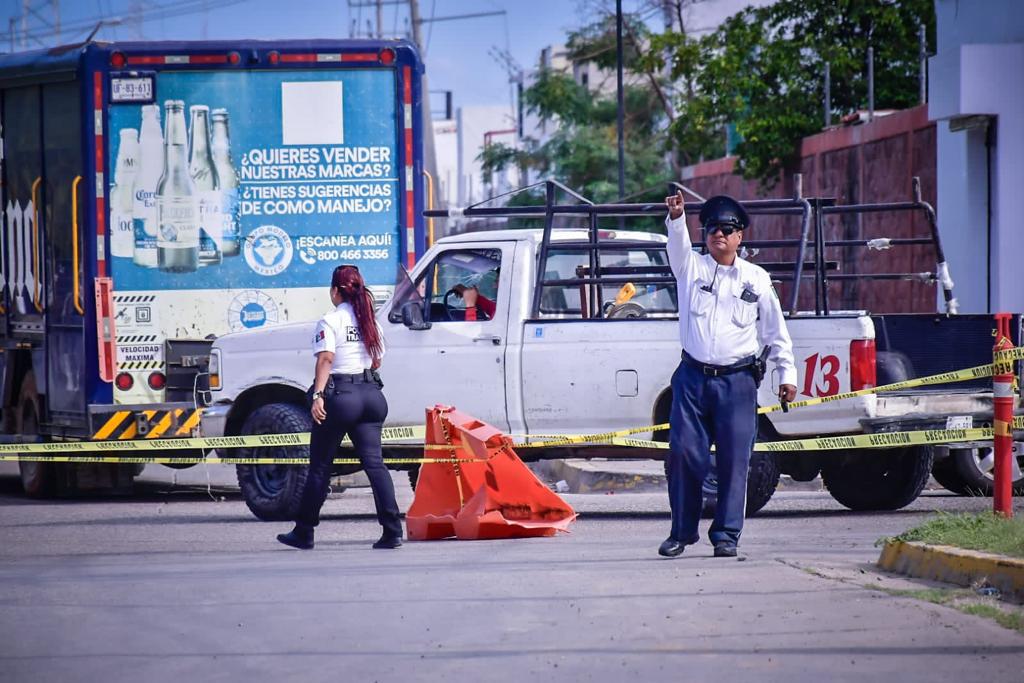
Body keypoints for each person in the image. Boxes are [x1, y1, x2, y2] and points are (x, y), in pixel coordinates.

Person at [659, 190, 797, 559]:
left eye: (726, 228)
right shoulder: (692, 269)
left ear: (740, 236)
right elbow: (678, 249)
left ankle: (726, 535)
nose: (718, 234)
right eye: (711, 228)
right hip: (692, 379)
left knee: (736, 460)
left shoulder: (756, 279)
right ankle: (682, 532)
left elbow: (774, 332)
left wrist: (787, 374)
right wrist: (677, 219)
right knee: (685, 455)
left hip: (737, 382)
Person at [276, 265, 403, 551]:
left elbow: (326, 360)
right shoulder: (371, 322)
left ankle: (304, 531)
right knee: (375, 464)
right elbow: (377, 361)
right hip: (372, 396)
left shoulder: (330, 320)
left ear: (335, 291)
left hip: (342, 396)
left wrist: (318, 395)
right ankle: (392, 530)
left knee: (320, 466)